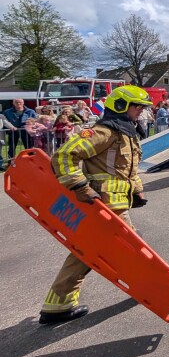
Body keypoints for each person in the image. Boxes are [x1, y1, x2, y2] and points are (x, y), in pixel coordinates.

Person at [38, 85, 153, 324]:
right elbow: (64, 155)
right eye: (138, 107)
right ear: (121, 106)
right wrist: (80, 187)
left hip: (117, 204)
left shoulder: (125, 133)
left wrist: (138, 190)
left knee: (86, 251)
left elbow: (127, 170)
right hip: (103, 205)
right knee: (126, 248)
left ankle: (58, 303)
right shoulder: (104, 132)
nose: (141, 112)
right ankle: (148, 288)